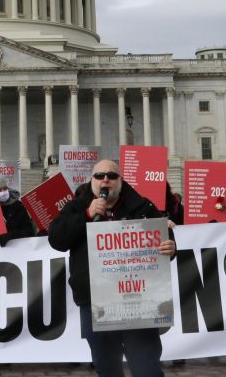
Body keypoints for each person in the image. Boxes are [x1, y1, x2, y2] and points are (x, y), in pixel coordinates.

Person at [48, 159, 176, 377]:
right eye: (99, 176)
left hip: (138, 299)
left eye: (111, 176)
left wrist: (171, 248)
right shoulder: (77, 207)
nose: (105, 180)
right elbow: (57, 239)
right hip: (95, 301)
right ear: (92, 181)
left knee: (146, 367)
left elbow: (165, 236)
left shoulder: (142, 206)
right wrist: (86, 215)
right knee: (107, 366)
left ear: (120, 180)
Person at [0, 179, 34, 245]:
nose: (3, 192)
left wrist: (11, 235)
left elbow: (29, 232)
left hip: (16, 247)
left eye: (5, 188)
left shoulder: (19, 206)